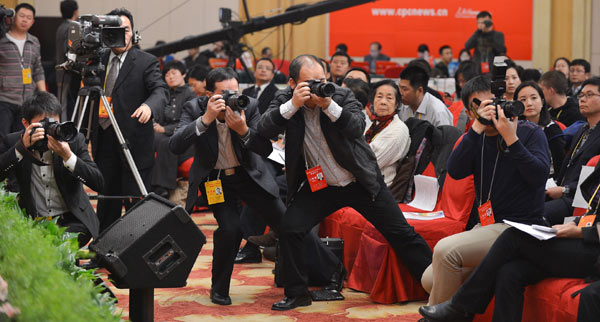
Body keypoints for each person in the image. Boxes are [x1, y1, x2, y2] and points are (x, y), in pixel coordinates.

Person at [258, 54, 432, 311]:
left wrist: (328, 105)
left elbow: (356, 125)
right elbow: (263, 128)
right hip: (322, 186)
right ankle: (297, 293)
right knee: (290, 228)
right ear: (293, 83)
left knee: (401, 233)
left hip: (359, 180)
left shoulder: (339, 95)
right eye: (309, 82)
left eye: (322, 79)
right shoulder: (287, 99)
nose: (318, 86)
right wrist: (294, 104)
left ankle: (440, 287)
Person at [169, 67, 342, 305]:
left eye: (234, 90)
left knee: (287, 223)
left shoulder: (247, 105)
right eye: (223, 92)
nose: (231, 97)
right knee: (229, 229)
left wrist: (243, 131)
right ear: (209, 94)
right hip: (216, 182)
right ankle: (219, 289)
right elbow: (175, 145)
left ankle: (332, 270)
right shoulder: (194, 108)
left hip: (249, 176)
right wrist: (207, 118)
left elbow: (266, 148)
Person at [420, 75, 550, 305]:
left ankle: (441, 316)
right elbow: (456, 171)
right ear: (470, 113)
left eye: (493, 103)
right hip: (488, 225)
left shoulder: (530, 132)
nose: (490, 110)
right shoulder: (475, 138)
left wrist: (511, 138)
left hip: (520, 227)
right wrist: (476, 128)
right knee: (428, 279)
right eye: (480, 107)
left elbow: (539, 177)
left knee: (445, 251)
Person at [418, 162, 600, 322]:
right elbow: (593, 210)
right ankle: (462, 307)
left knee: (514, 238)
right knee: (510, 271)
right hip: (586, 237)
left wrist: (581, 231)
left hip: (594, 251)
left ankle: (462, 306)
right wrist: (575, 224)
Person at [91, 8, 169, 234]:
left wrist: (148, 106)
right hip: (104, 139)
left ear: (133, 33)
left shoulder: (146, 61)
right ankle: (103, 250)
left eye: (125, 30)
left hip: (134, 142)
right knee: (106, 200)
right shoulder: (98, 60)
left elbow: (160, 91)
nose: (121, 35)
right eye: (115, 30)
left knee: (135, 201)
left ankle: (135, 256)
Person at [0, 92, 103, 248]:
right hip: (32, 223)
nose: (50, 129)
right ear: (26, 123)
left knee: (55, 249)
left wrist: (68, 156)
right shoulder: (14, 141)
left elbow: (98, 183)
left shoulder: (73, 140)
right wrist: (21, 149)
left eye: (54, 123)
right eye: (43, 124)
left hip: (71, 221)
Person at [545, 78, 600, 225]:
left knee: (538, 214)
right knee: (523, 206)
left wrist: (564, 190)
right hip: (563, 193)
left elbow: (595, 179)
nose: (582, 100)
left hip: (582, 200)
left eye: (589, 95)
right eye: (581, 95)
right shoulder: (582, 129)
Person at [0, 3, 46, 142]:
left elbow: (38, 69)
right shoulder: (2, 40)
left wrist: (43, 95)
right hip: (4, 99)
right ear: (14, 18)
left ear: (33, 21)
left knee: (22, 138)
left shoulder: (34, 41)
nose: (25, 20)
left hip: (27, 101)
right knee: (3, 139)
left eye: (29, 17)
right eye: (21, 16)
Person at [151, 60, 196, 198]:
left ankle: (162, 186)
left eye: (174, 73)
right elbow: (159, 115)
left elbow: (189, 121)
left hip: (186, 135)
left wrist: (165, 129)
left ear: (183, 74)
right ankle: (144, 183)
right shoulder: (166, 93)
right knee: (148, 137)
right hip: (165, 133)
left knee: (166, 142)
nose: (170, 77)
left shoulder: (190, 94)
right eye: (167, 75)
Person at [515, 81, 566, 178]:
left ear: (542, 101)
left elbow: (559, 166)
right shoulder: (513, 129)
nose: (529, 103)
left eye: (534, 98)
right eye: (523, 100)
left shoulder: (551, 129)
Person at [365, 80, 410, 187]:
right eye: (379, 97)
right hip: (364, 182)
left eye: (389, 98)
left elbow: (369, 164)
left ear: (397, 104)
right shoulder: (374, 124)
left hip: (378, 188)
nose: (383, 102)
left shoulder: (397, 130)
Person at [55, 0, 80, 121]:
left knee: (62, 102)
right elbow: (69, 49)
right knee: (63, 104)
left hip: (60, 71)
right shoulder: (71, 27)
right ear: (75, 11)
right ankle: (62, 129)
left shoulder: (61, 26)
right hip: (67, 72)